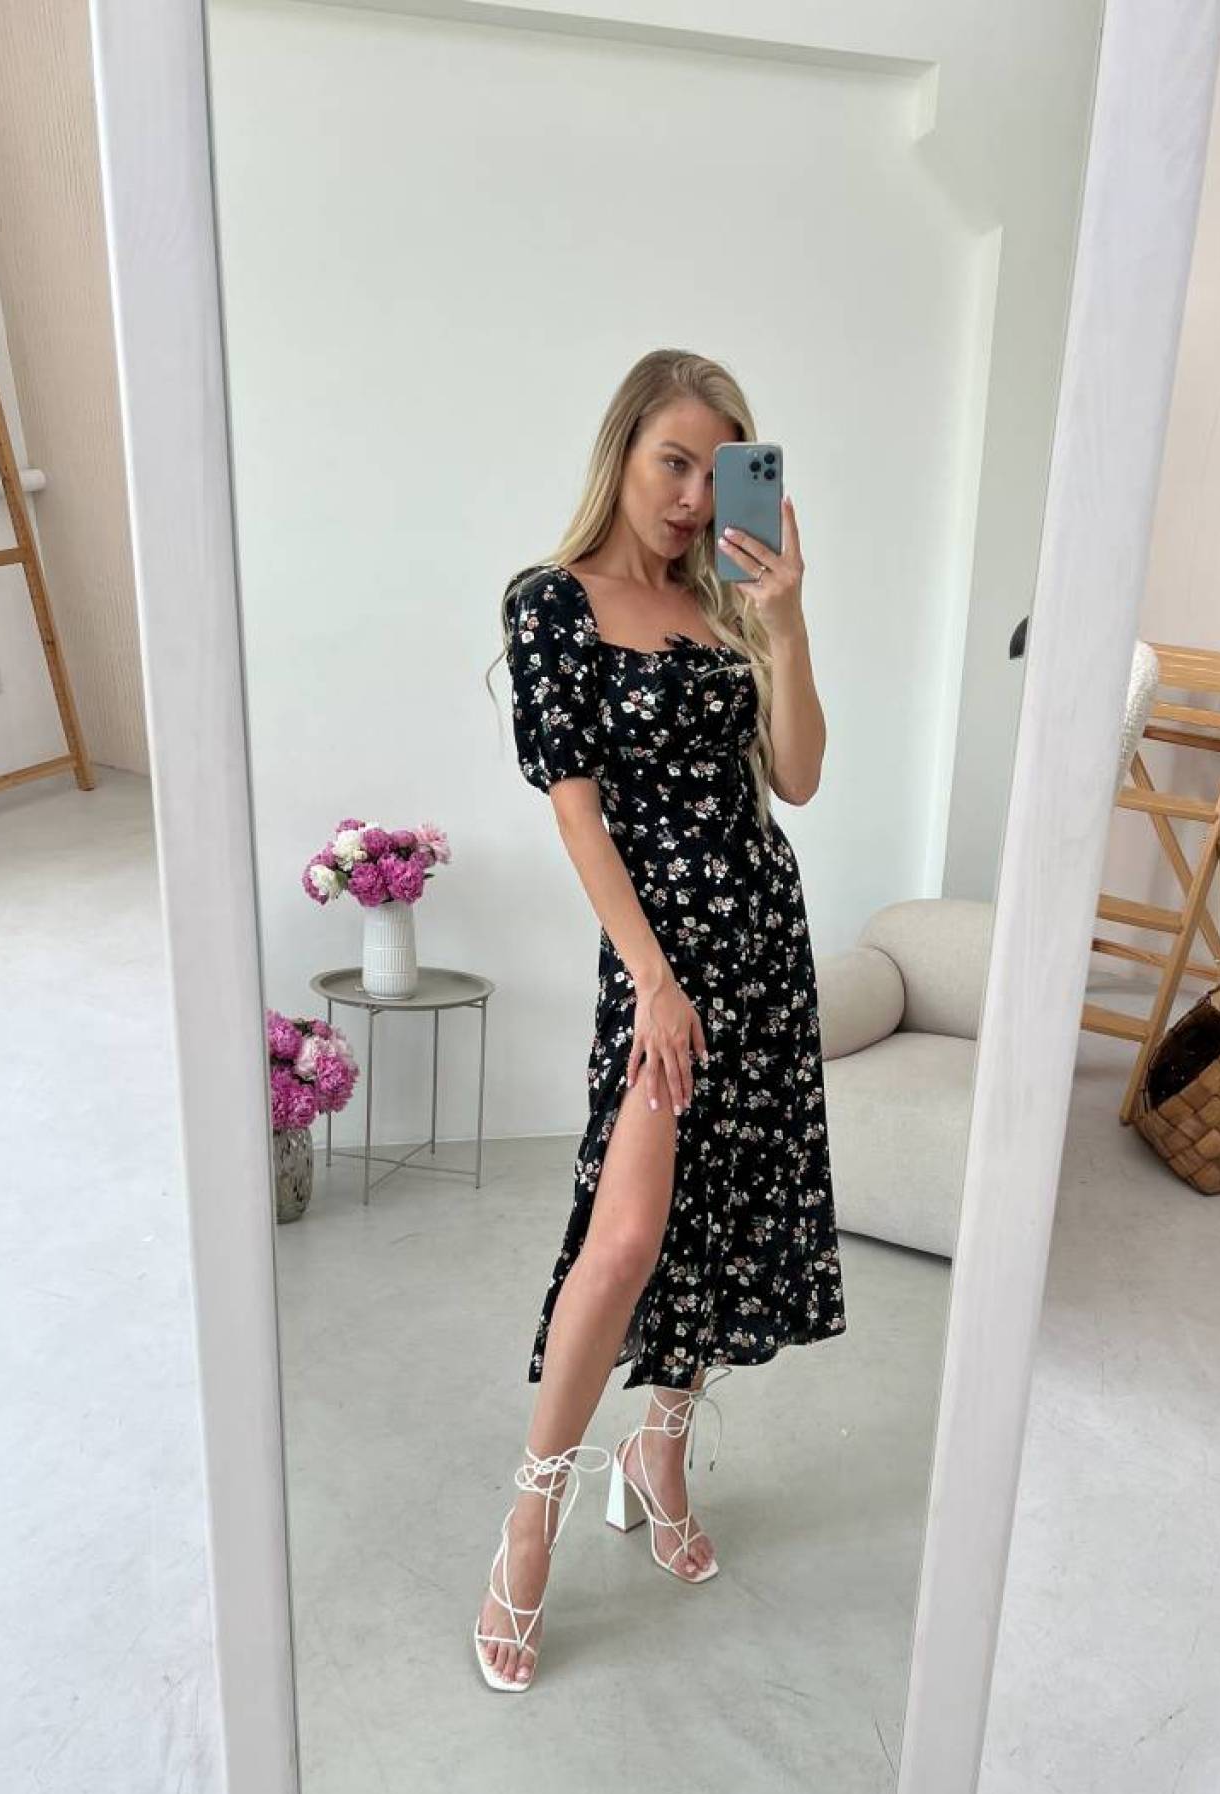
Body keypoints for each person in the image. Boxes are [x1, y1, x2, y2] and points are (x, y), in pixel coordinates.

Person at [475, 348, 847, 1692]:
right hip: (662, 964)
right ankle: (533, 1515)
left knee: (719, 1215)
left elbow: (796, 776)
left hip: (763, 951)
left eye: (714, 468)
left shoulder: (729, 604)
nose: (693, 496)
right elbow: (578, 813)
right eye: (671, 462)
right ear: (622, 453)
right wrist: (652, 979)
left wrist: (786, 622)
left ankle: (661, 1452)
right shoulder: (553, 604)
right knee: (628, 1234)